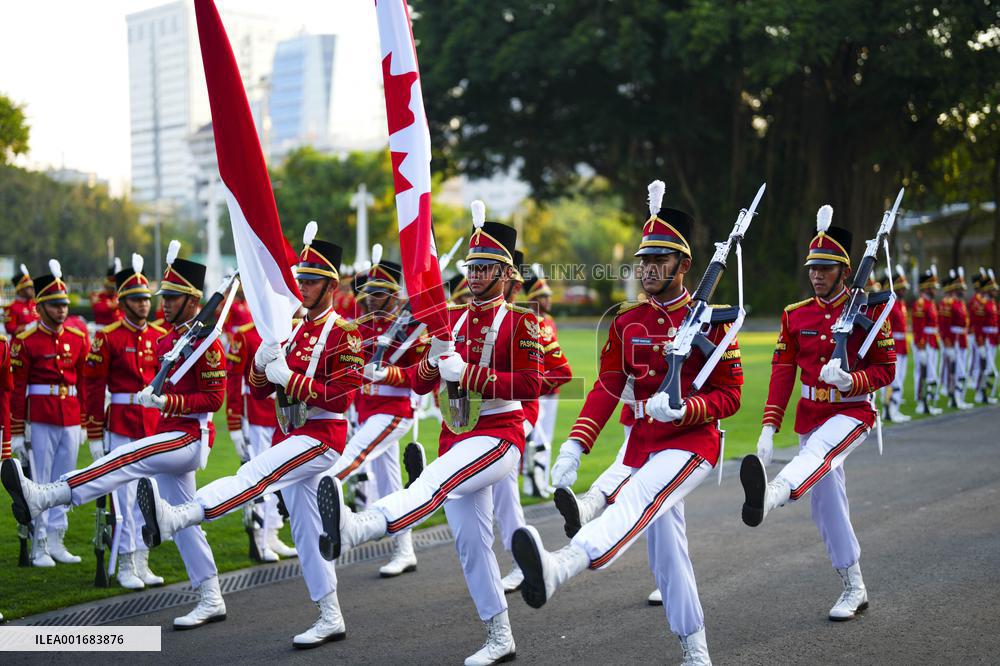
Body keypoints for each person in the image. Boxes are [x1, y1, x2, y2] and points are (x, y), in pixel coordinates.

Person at [509, 181, 743, 666]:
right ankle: (695, 646)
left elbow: (731, 395)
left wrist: (686, 410)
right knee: (667, 548)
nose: (648, 269)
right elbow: (606, 388)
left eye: (660, 260)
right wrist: (576, 445)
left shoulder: (714, 322)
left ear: (684, 266)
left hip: (693, 443)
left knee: (637, 500)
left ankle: (560, 566)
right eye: (643, 260)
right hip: (642, 446)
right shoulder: (627, 322)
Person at [319, 201, 543, 665]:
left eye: (486, 268)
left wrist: (472, 373)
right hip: (455, 434)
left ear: (505, 274)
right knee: (470, 545)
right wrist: (434, 357)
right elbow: (422, 380)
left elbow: (532, 383)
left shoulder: (522, 321)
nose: (476, 276)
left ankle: (359, 527)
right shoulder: (452, 319)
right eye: (473, 267)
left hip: (500, 433)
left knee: (433, 483)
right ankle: (499, 635)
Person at [137, 226, 364, 648]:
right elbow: (258, 390)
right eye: (301, 278)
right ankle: (329, 614)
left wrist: (290, 380)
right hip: (290, 433)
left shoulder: (345, 333)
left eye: (312, 280)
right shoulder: (289, 329)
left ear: (331, 285)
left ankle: (178, 517)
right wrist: (262, 366)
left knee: (255, 475)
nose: (302, 285)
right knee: (305, 528)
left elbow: (341, 398)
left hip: (321, 437)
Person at [2, 242, 227, 628]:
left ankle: (48, 495)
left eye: (171, 298)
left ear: (193, 301)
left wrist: (164, 401)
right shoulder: (169, 341)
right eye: (163, 297)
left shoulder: (206, 342)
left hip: (189, 436)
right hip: (166, 432)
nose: (162, 304)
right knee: (184, 523)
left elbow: (214, 398)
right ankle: (211, 595)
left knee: (127, 459)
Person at [743, 204, 896, 622]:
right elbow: (782, 371)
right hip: (811, 415)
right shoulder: (796, 315)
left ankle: (771, 495)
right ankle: (854, 583)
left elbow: (886, 369)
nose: (816, 275)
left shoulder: (868, 310)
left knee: (821, 457)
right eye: (812, 267)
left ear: (845, 272)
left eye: (826, 268)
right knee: (826, 500)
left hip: (852, 412)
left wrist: (852, 382)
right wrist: (769, 427)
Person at [329, 256, 426, 577]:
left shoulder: (411, 329)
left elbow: (420, 376)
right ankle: (405, 550)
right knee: (390, 485)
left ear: (395, 295)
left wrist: (387, 373)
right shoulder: (363, 326)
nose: (371, 297)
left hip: (395, 411)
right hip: (367, 409)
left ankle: (325, 497)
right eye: (369, 291)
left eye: (379, 292)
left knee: (352, 456)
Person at [82, 254, 168, 588]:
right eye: (136, 299)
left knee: (150, 495)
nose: (144, 305)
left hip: (152, 423)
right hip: (120, 422)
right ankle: (125, 564)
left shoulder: (161, 337)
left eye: (146, 299)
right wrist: (93, 432)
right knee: (125, 497)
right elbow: (93, 387)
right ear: (123, 302)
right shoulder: (108, 337)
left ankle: (143, 560)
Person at [8, 260, 90, 567]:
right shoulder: (26, 341)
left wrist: (83, 422)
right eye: (55, 305)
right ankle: (39, 543)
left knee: (65, 481)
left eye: (64, 305)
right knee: (40, 482)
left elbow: (83, 382)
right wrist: (17, 430)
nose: (62, 310)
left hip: (69, 417)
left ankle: (57, 539)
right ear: (40, 307)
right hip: (40, 418)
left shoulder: (78, 338)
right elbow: (17, 389)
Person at [225, 317, 297, 563]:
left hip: (283, 416)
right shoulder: (245, 335)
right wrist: (234, 424)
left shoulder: (293, 330)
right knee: (258, 479)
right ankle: (258, 537)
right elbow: (233, 382)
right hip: (254, 417)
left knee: (281, 478)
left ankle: (273, 533)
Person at [911, 266, 943, 415]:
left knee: (931, 373)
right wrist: (921, 346)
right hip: (924, 343)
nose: (935, 291)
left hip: (932, 341)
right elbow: (918, 327)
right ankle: (921, 401)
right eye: (932, 287)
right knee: (922, 373)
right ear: (926, 287)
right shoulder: (921, 303)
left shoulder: (930, 303)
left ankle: (928, 402)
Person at [883, 268, 911, 422]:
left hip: (902, 344)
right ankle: (891, 409)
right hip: (894, 345)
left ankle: (895, 408)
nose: (904, 290)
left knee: (900, 377)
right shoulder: (891, 304)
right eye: (902, 288)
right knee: (895, 380)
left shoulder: (901, 304)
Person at [968, 269, 997, 404]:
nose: (995, 291)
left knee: (987, 368)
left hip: (990, 339)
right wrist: (980, 342)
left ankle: (984, 391)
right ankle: (980, 392)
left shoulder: (990, 302)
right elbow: (978, 325)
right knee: (982, 366)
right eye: (992, 289)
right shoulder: (982, 303)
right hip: (983, 339)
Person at [5, 265, 40, 336]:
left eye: (32, 287)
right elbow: (10, 329)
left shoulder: (36, 304)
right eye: (28, 287)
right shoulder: (12, 307)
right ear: (19, 290)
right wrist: (31, 326)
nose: (32, 290)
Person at [90, 259, 125, 327]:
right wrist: (115, 306)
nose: (114, 290)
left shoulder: (120, 296)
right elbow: (100, 309)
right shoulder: (99, 297)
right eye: (111, 288)